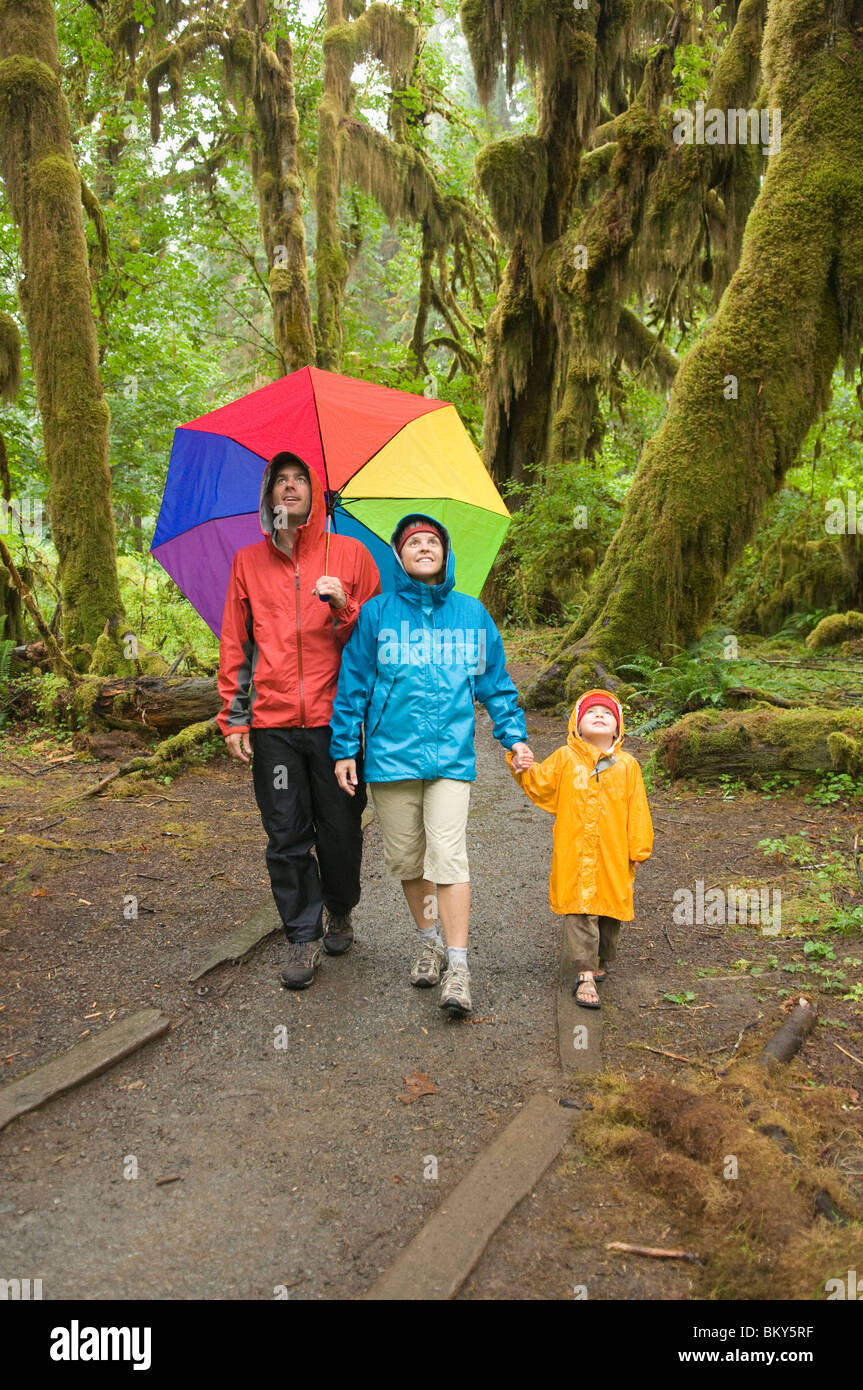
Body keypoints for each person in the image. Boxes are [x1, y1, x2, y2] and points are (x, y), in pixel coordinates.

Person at [329, 514, 533, 1018]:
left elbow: (495, 684)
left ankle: (459, 967)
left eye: (432, 541)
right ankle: (429, 942)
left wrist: (515, 738)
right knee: (408, 860)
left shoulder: (471, 614)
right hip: (389, 758)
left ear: (445, 553)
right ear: (399, 557)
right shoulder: (376, 616)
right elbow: (352, 686)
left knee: (448, 856)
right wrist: (342, 750)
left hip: (450, 758)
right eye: (413, 542)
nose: (423, 547)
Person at [217, 452, 381, 989]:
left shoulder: (351, 555)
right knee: (285, 834)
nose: (289, 488)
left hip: (338, 724)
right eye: (280, 481)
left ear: (315, 496)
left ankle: (341, 907)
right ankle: (302, 936)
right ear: (268, 497)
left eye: (299, 481)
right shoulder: (248, 561)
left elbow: (376, 644)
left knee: (340, 831)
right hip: (273, 726)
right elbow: (235, 644)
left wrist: (344, 605)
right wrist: (235, 718)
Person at [507, 690, 653, 1009]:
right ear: (576, 724)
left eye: (607, 713)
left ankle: (600, 959)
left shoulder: (628, 766)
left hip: (612, 854)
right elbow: (542, 783)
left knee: (609, 910)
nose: (599, 715)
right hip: (575, 852)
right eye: (591, 712)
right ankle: (584, 972)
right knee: (580, 907)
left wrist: (638, 848)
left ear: (618, 728)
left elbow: (638, 809)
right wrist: (524, 766)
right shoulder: (564, 758)